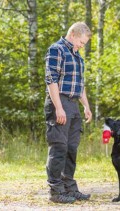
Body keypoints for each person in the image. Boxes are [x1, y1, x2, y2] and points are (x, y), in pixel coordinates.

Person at [44, 22, 92, 203]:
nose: (82, 46)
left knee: (71, 148)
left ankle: (69, 188)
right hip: (59, 101)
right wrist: (58, 107)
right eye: (81, 42)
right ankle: (55, 191)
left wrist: (86, 106)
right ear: (72, 34)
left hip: (73, 105)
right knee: (59, 147)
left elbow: (80, 85)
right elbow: (51, 80)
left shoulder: (78, 57)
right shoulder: (56, 50)